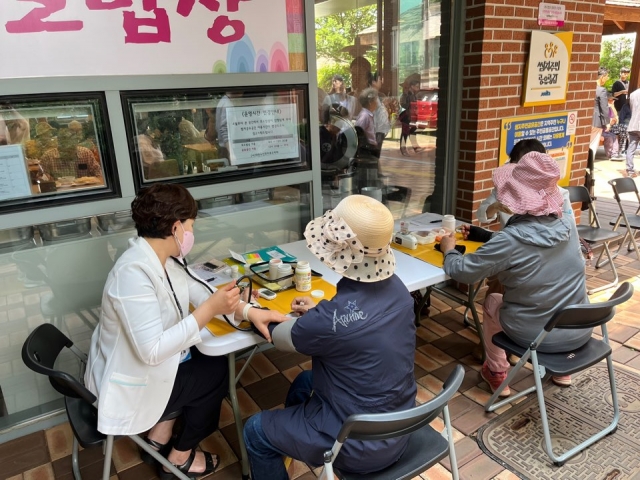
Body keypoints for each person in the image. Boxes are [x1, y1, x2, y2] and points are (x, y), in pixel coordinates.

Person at [84, 184, 287, 479]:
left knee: (209, 362)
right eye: (191, 226)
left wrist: (251, 312)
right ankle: (179, 457)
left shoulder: (163, 259)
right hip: (130, 382)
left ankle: (158, 437)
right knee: (215, 375)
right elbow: (152, 350)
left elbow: (202, 293)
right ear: (176, 227)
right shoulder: (132, 274)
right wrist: (209, 311)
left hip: (150, 366)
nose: (193, 233)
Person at [243, 195, 417, 480]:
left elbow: (281, 337)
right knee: (303, 382)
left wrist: (248, 310)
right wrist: (322, 316)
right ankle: (294, 441)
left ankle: (288, 444)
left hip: (356, 443)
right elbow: (353, 323)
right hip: (397, 423)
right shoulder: (399, 290)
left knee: (255, 431)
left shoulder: (330, 320)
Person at [441, 152, 590, 396]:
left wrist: (449, 251)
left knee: (492, 301)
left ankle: (497, 371)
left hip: (539, 335)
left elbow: (463, 272)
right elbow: (531, 246)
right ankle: (562, 370)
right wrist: (490, 238)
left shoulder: (512, 239)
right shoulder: (567, 224)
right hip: (581, 327)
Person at [476, 138, 547, 227]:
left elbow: (567, 226)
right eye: (516, 163)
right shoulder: (504, 187)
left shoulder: (554, 192)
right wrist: (495, 206)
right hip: (509, 239)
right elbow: (481, 215)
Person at [399, 76, 424, 156]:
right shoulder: (406, 94)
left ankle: (415, 146)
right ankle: (403, 148)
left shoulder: (413, 94)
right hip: (406, 115)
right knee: (405, 132)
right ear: (412, 87)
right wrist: (411, 105)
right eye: (417, 86)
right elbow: (403, 104)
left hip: (412, 115)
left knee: (413, 130)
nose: (418, 88)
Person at [367, 71, 391, 151]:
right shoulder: (371, 95)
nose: (381, 82)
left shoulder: (375, 94)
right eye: (379, 80)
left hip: (379, 130)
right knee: (374, 153)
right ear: (374, 82)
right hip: (375, 130)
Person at [590, 67, 610, 161]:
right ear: (602, 77)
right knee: (592, 145)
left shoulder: (589, 88)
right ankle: (589, 167)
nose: (607, 79)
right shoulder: (601, 90)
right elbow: (604, 108)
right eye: (606, 77)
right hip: (596, 122)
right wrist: (607, 122)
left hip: (586, 120)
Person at [625, 87, 640, 178]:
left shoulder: (633, 94)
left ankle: (630, 170)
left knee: (631, 148)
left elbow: (632, 109)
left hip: (633, 124)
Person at [603, 92, 619, 159]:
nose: (612, 101)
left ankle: (614, 155)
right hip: (602, 129)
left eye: (612, 100)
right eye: (610, 100)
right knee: (609, 138)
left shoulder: (610, 108)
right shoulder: (602, 108)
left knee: (614, 137)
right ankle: (610, 155)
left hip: (609, 128)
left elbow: (614, 118)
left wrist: (611, 123)